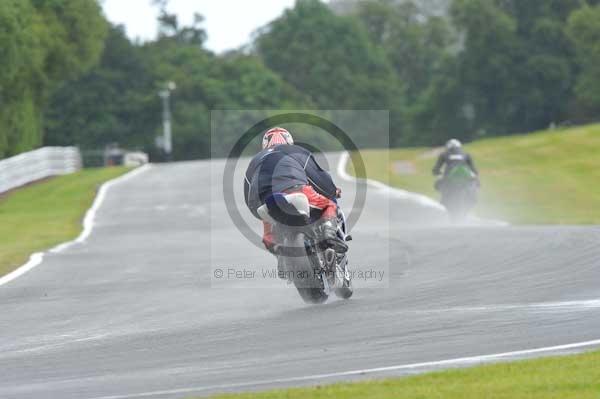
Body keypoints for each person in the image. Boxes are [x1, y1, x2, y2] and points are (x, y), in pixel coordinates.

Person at [244, 127, 346, 255]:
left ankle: (278, 253)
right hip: (295, 189)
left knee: (269, 228)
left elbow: (248, 193)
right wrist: (332, 190)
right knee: (330, 205)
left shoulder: (256, 159)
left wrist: (256, 210)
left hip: (263, 202)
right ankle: (329, 235)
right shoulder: (296, 151)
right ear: (289, 141)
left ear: (265, 144)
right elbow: (317, 177)